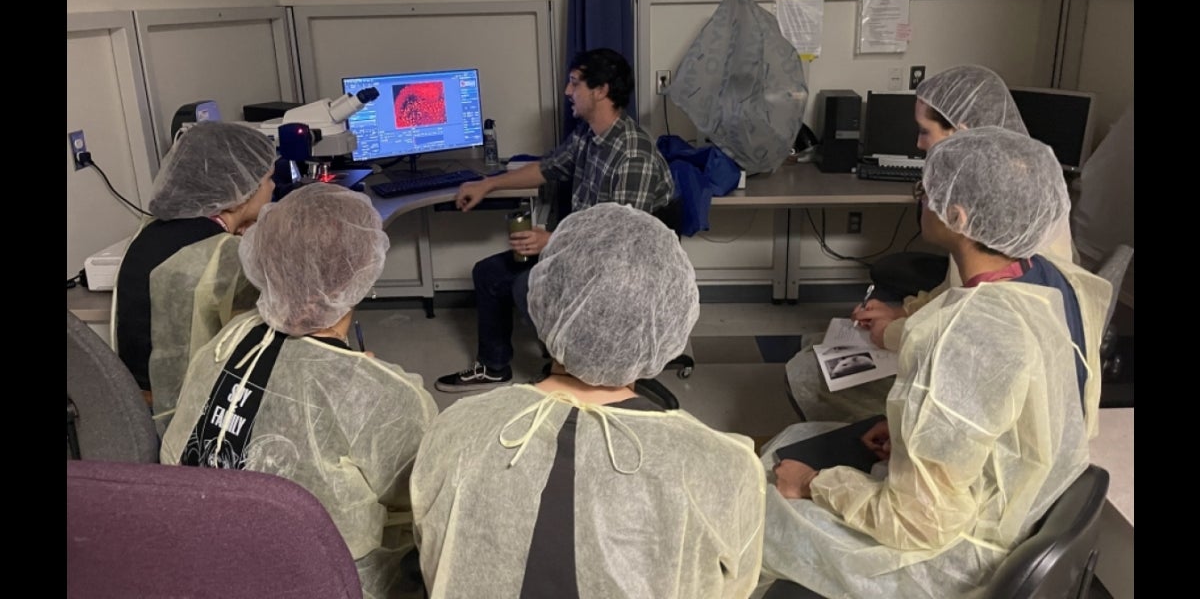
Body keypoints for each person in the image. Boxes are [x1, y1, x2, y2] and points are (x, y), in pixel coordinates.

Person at [758, 127, 1110, 597]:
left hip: (950, 562)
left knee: (756, 499)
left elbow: (915, 523)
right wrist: (910, 436)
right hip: (1001, 511)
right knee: (795, 438)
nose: (921, 199)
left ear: (958, 216)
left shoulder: (961, 337)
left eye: (927, 191)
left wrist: (816, 483)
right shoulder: (1038, 297)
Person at [412, 203, 765, 597]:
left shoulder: (455, 431)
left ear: (543, 299)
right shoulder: (725, 469)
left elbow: (432, 559)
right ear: (671, 318)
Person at [160, 182, 437, 599]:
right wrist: (361, 386)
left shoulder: (225, 341)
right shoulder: (390, 398)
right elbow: (424, 499)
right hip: (324, 582)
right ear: (363, 272)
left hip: (200, 564)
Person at [787, 64, 1077, 422]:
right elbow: (958, 293)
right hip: (970, 358)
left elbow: (977, 341)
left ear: (964, 134)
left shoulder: (1009, 210)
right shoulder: (1003, 189)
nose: (918, 144)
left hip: (985, 391)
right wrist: (903, 312)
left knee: (811, 374)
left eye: (926, 132)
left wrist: (896, 333)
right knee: (817, 348)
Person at [435, 47, 676, 392]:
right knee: (489, 273)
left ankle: (575, 365)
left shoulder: (632, 153)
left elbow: (622, 241)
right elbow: (547, 168)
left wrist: (552, 241)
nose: (567, 91)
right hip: (580, 248)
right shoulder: (587, 134)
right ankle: (494, 366)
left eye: (575, 83)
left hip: (617, 265)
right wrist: (488, 184)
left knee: (525, 285)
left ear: (602, 90)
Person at [113, 121, 277, 426]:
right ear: (241, 190)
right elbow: (255, 345)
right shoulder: (222, 252)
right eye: (268, 179)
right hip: (187, 408)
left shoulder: (147, 234)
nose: (272, 187)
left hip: (132, 400)